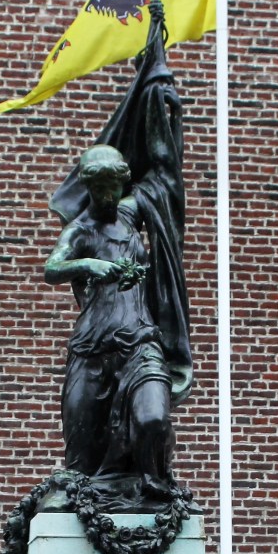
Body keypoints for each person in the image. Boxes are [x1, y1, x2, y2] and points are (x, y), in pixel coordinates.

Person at [44, 144, 176, 503]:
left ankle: (155, 493)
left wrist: (159, 100)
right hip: (92, 347)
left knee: (153, 421)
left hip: (140, 342)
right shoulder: (80, 230)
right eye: (97, 188)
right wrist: (89, 265)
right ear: (87, 188)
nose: (105, 196)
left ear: (122, 185)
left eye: (111, 187)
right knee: (79, 459)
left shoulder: (131, 216)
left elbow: (165, 174)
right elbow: (52, 268)